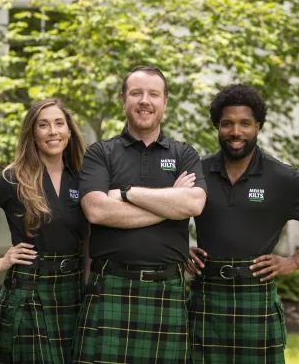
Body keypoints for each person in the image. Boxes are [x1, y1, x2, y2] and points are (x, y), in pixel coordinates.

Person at [185, 83, 299, 363]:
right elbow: (166, 214)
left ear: (258, 126)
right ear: (217, 127)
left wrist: (295, 261)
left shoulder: (281, 177)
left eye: (245, 123)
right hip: (206, 297)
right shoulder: (198, 172)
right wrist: (180, 248)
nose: (236, 132)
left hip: (256, 296)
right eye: (227, 124)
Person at [72, 65, 207, 364]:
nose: (145, 100)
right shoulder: (101, 153)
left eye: (153, 94)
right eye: (136, 93)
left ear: (165, 102)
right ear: (123, 100)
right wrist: (169, 203)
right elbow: (96, 210)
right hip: (111, 288)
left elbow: (194, 204)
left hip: (167, 290)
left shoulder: (184, 154)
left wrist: (125, 193)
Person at [0, 98, 89, 363]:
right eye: (43, 125)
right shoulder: (12, 178)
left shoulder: (83, 177)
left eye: (59, 123)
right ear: (32, 134)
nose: (53, 131)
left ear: (69, 131)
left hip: (73, 292)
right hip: (29, 292)